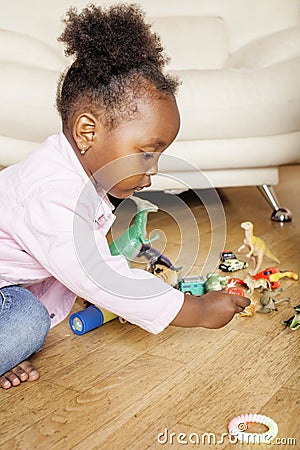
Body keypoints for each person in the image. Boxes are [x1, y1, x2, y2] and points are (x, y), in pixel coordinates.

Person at [0, 4, 250, 390]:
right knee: (26, 323)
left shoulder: (76, 177)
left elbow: (74, 258)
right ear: (87, 132)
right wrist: (195, 309)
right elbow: (102, 276)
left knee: (24, 321)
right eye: (147, 152)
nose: (152, 171)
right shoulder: (51, 193)